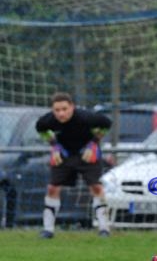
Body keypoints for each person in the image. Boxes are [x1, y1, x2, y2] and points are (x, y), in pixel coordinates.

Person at [36, 92, 112, 238]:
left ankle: (104, 228)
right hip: (64, 155)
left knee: (96, 187)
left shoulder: (87, 117)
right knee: (52, 188)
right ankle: (48, 230)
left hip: (86, 154)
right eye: (57, 110)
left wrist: (93, 144)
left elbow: (106, 124)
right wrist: (54, 146)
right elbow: (41, 130)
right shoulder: (47, 121)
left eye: (64, 109)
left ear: (72, 107)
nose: (61, 113)